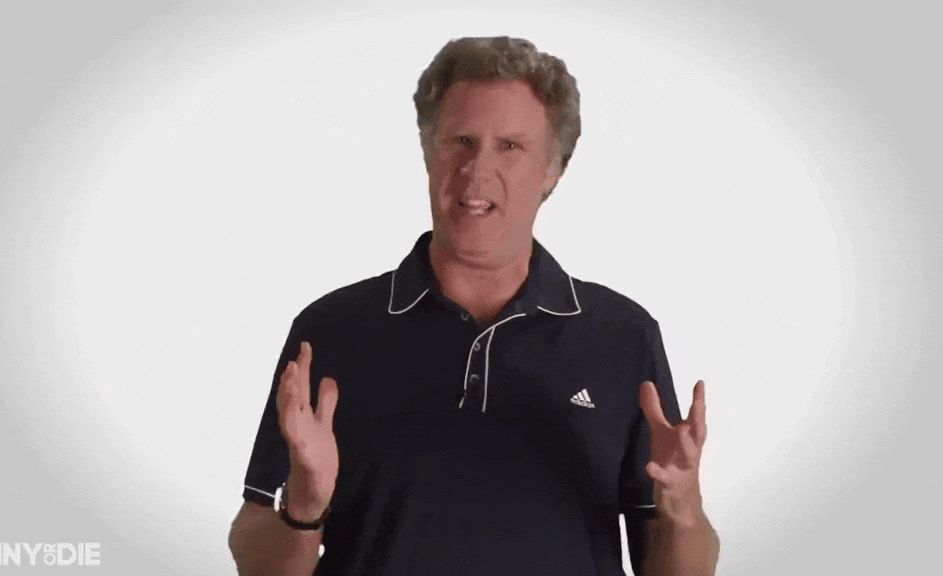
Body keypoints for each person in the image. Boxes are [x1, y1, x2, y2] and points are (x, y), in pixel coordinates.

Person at [228, 36, 720, 576]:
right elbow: (256, 557)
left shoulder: (622, 335)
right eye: (460, 140)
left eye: (510, 145)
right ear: (427, 152)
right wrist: (304, 506)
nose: (476, 168)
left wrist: (683, 512)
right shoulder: (331, 329)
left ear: (553, 169)